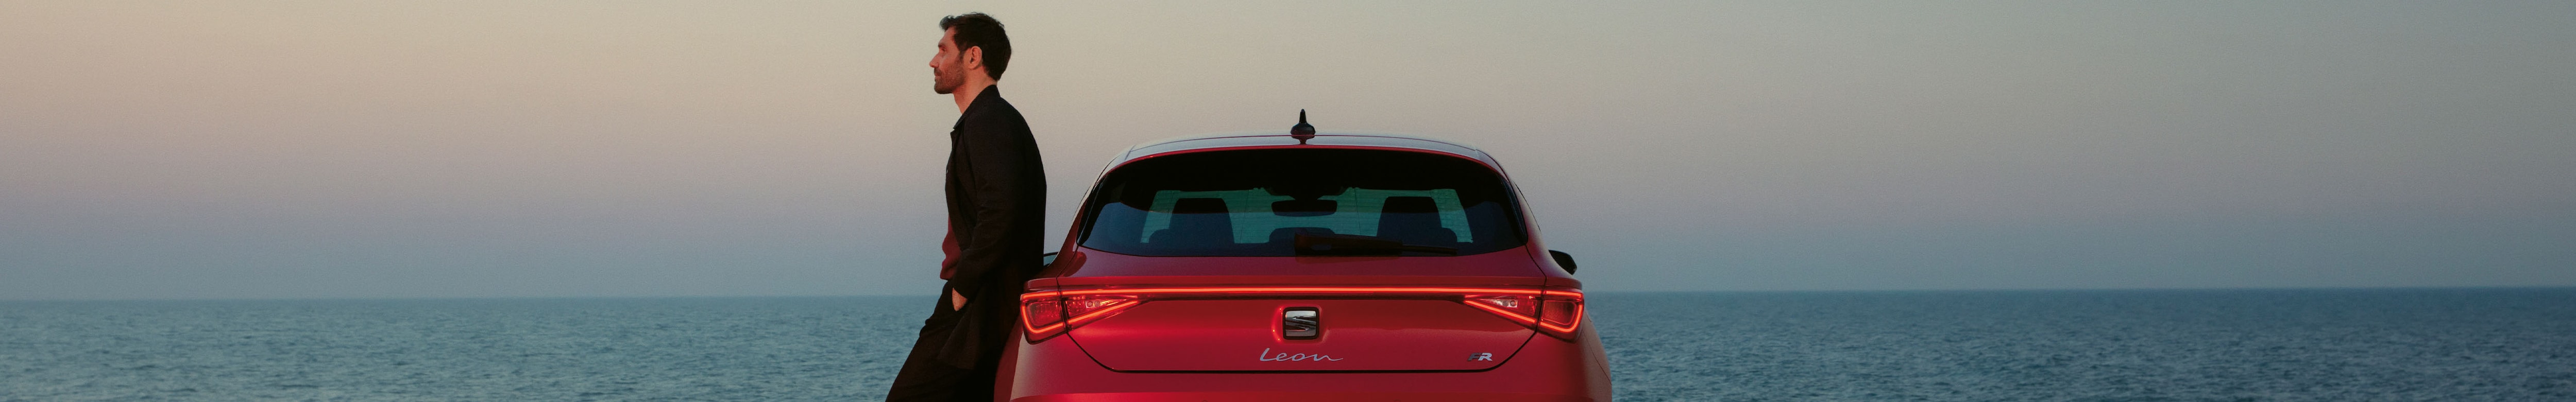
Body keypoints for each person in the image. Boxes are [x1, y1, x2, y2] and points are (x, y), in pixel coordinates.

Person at [885, 12, 1045, 402]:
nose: (933, 61)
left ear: (972, 57)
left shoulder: (990, 123)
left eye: (943, 50)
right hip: (981, 301)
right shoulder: (988, 121)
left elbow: (1000, 212)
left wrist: (962, 287)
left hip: (979, 303)